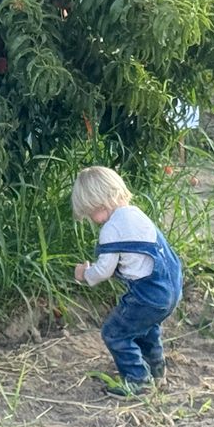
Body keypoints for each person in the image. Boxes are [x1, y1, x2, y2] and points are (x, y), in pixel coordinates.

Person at [72, 165, 183, 397]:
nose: (94, 220)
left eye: (91, 214)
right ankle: (156, 371)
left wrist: (85, 274)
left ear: (99, 205)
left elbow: (104, 269)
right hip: (170, 288)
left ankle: (137, 380)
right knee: (146, 328)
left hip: (148, 295)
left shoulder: (112, 229)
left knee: (115, 332)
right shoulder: (136, 214)